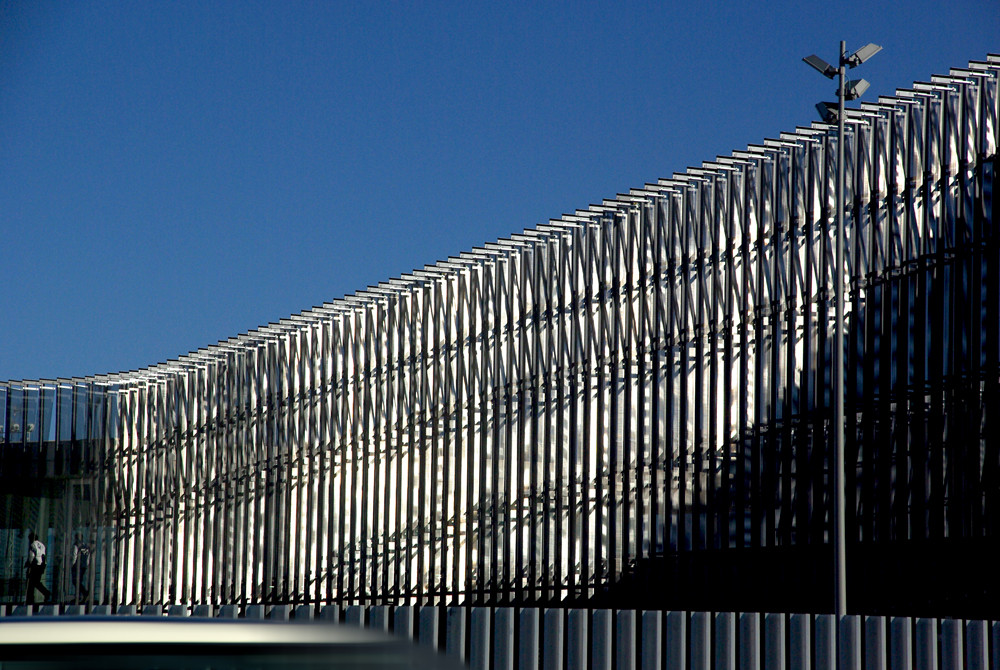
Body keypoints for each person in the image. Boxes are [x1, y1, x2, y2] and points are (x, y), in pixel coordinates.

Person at [24, 531, 51, 605]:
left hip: (35, 565)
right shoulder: (42, 545)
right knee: (36, 582)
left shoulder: (33, 545)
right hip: (42, 565)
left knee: (31, 582)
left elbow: (32, 556)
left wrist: (28, 563)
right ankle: (45, 593)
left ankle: (31, 598)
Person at [72, 533, 91, 603]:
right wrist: (86, 565)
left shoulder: (76, 545)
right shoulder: (86, 546)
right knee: (79, 581)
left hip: (77, 566)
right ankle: (80, 596)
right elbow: (88, 557)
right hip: (83, 566)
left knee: (75, 581)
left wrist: (72, 565)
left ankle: (83, 594)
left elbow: (74, 556)